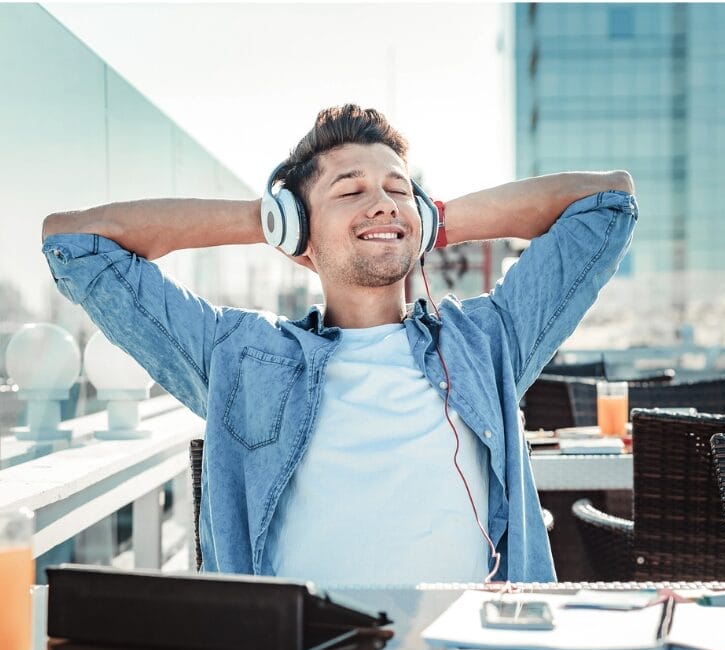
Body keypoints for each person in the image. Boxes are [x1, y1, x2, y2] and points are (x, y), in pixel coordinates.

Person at [42, 104, 636, 586]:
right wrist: (263, 219)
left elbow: (607, 205)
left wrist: (435, 220)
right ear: (299, 232)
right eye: (350, 191)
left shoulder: (488, 340)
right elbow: (76, 243)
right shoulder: (241, 357)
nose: (382, 202)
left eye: (399, 190)